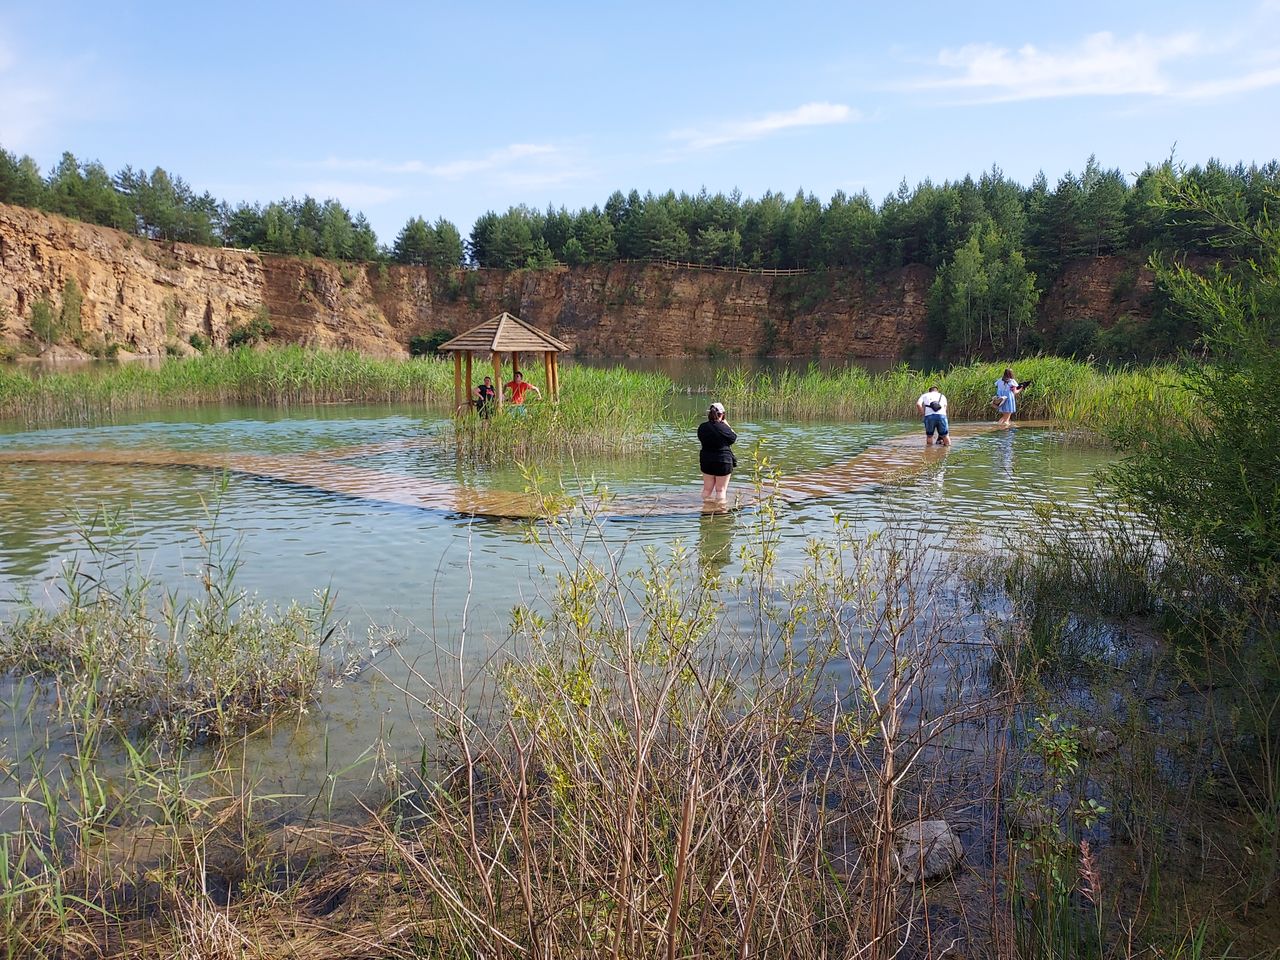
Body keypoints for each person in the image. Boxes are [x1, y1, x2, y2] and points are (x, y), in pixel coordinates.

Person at [697, 401, 737, 502]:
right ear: (722, 414)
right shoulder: (724, 428)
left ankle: (705, 510)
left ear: (709, 414)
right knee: (721, 490)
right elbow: (733, 438)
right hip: (723, 460)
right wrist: (726, 424)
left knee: (706, 490)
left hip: (706, 460)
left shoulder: (702, 427)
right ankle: (720, 514)